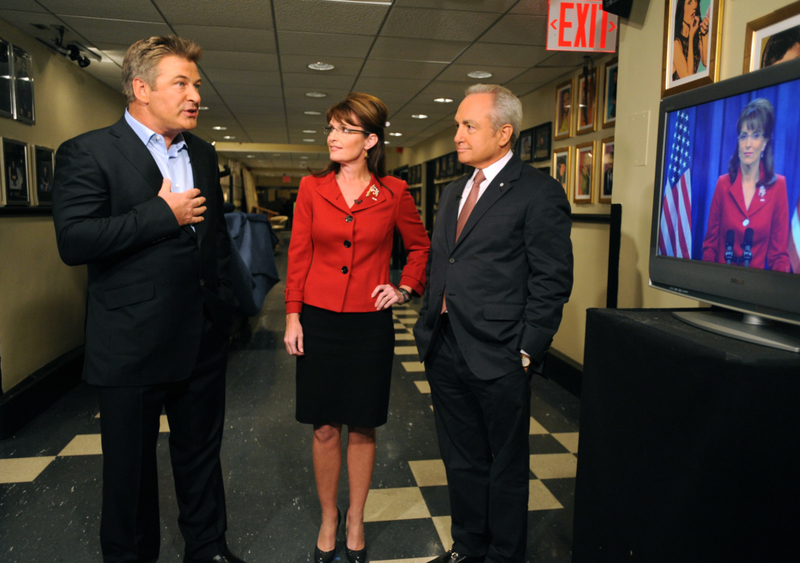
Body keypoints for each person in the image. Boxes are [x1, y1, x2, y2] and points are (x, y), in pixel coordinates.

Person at [52, 36, 247, 563]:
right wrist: (163, 214)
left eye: (197, 85)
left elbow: (216, 243)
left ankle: (208, 548)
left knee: (201, 456)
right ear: (140, 88)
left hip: (202, 335)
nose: (194, 96)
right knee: (130, 470)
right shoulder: (88, 151)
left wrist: (223, 305)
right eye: (180, 84)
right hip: (131, 343)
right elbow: (75, 240)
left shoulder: (203, 154)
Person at [413, 84, 573, 563]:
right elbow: (447, 260)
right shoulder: (452, 192)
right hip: (445, 346)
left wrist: (527, 349)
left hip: (501, 352)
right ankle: (469, 546)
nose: (457, 135)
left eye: (468, 126)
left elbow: (551, 278)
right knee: (460, 459)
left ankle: (505, 555)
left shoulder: (538, 192)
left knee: (504, 465)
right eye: (458, 124)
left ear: (504, 133)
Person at [283, 93, 430, 563]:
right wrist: (292, 314)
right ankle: (329, 517)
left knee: (363, 426)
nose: (332, 136)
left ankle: (355, 518)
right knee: (324, 427)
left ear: (369, 140)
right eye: (330, 126)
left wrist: (404, 288)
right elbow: (299, 255)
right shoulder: (310, 188)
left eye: (345, 129)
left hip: (370, 324)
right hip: (319, 319)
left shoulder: (394, 193)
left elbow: (421, 248)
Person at [701, 98, 790, 272]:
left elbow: (779, 256)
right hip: (720, 284)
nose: (748, 144)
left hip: (756, 292)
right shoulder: (723, 184)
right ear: (738, 141)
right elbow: (709, 247)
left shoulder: (778, 186)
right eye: (744, 136)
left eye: (755, 135)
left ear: (765, 142)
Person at [672, 0, 709, 80]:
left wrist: (704, 33)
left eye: (696, 1)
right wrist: (691, 36)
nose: (695, 6)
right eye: (689, 2)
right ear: (682, 7)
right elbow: (688, 78)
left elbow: (706, 62)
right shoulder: (675, 43)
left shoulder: (697, 34)